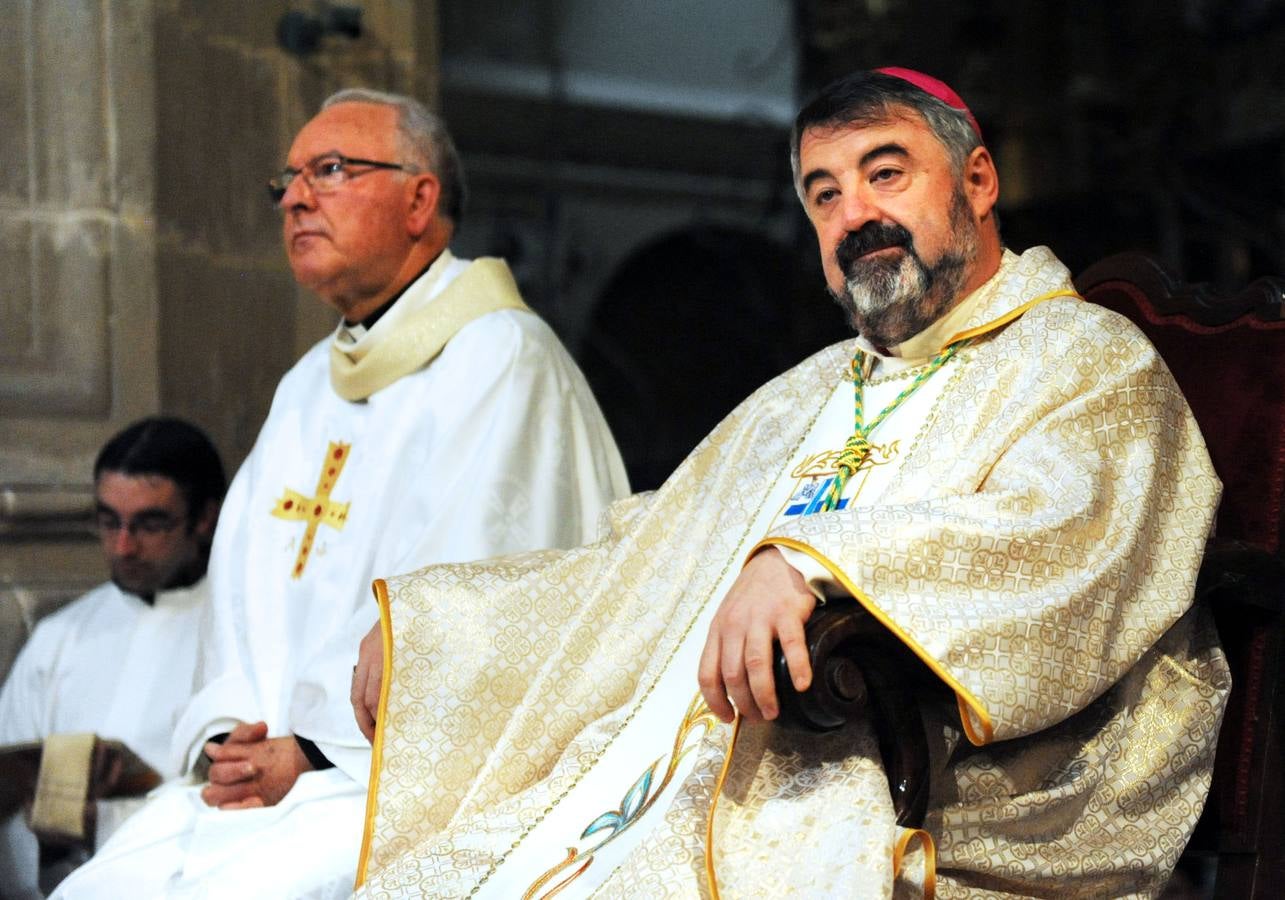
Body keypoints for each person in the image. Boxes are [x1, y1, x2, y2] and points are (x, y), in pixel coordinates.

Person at [352, 69, 1229, 898]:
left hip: (948, 790)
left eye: (885, 175)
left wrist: (811, 563)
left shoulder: (1084, 358)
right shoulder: (805, 392)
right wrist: (438, 630)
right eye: (824, 195)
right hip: (701, 767)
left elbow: (1061, 538)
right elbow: (651, 563)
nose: (855, 216)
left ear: (977, 181)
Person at [54, 89, 628, 898]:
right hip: (270, 777)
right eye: (286, 181)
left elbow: (483, 601)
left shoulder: (500, 361)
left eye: (330, 170)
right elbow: (242, 592)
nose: (294, 198)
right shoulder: (306, 388)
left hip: (401, 785)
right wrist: (232, 735)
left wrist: (315, 748)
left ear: (419, 200)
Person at [0, 417, 225, 898]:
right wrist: (55, 833)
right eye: (108, 521)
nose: (123, 546)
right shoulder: (59, 638)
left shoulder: (242, 626)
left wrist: (106, 821)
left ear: (205, 518)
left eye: (149, 524)